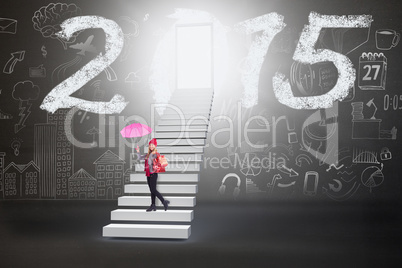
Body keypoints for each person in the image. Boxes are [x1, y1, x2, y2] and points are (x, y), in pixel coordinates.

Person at [135, 138, 169, 212]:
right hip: (148, 175)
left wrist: (154, 158)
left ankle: (164, 201)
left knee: (153, 190)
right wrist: (138, 151)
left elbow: (157, 160)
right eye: (150, 145)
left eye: (152, 145)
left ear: (155, 146)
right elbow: (140, 158)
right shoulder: (148, 155)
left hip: (153, 174)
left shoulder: (155, 154)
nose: (151, 146)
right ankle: (153, 205)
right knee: (152, 191)